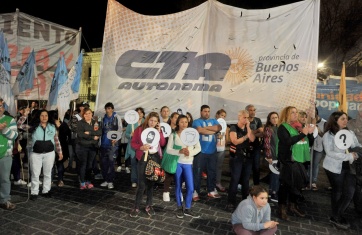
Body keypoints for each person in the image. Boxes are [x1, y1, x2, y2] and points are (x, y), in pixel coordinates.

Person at [323, 111, 361, 230]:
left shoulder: (349, 132)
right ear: (335, 121)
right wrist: (349, 156)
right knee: (338, 192)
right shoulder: (328, 135)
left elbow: (356, 144)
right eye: (343, 119)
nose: (346, 121)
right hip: (334, 168)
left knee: (349, 192)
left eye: (346, 118)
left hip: (349, 167)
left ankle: (336, 215)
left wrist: (358, 152)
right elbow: (330, 153)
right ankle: (337, 216)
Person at [277, 106, 314, 220]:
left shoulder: (299, 126)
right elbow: (288, 142)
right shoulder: (282, 128)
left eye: (296, 112)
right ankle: (282, 208)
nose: (295, 114)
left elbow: (310, 143)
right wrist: (303, 134)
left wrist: (310, 133)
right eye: (292, 112)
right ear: (286, 115)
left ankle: (293, 206)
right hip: (288, 161)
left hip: (300, 160)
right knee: (286, 185)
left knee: (297, 185)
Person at [129, 112, 166, 217]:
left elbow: (162, 143)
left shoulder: (158, 130)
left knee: (151, 182)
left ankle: (149, 205)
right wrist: (141, 148)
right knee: (142, 184)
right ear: (147, 120)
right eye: (151, 120)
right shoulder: (140, 129)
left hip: (155, 157)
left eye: (155, 121)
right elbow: (133, 142)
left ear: (158, 122)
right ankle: (136, 206)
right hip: (143, 157)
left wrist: (160, 132)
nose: (152, 123)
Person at [166, 115, 201, 218]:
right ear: (178, 123)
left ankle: (188, 208)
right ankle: (179, 207)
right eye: (181, 122)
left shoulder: (193, 134)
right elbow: (168, 150)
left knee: (190, 188)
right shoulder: (173, 135)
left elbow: (198, 148)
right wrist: (179, 151)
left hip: (188, 163)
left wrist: (190, 152)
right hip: (178, 163)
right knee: (178, 185)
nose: (184, 124)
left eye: (186, 122)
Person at [29, 110, 63, 200]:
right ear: (38, 116)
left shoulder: (52, 127)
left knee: (47, 173)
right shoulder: (33, 127)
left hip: (49, 153)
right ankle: (34, 192)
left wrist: (60, 152)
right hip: (36, 154)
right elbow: (20, 125)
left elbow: (56, 140)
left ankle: (46, 190)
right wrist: (24, 115)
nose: (44, 117)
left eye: (46, 115)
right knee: (35, 174)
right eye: (42, 115)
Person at [192, 105, 222, 201]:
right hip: (200, 151)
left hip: (212, 151)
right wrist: (212, 130)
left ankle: (211, 190)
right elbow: (199, 130)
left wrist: (207, 129)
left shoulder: (214, 120)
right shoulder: (196, 122)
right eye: (205, 111)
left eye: (208, 111)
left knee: (212, 171)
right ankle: (195, 191)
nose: (207, 113)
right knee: (197, 171)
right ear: (201, 112)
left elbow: (219, 128)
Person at [227, 110, 255, 210]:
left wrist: (248, 128)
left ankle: (245, 201)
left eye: (247, 117)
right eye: (244, 117)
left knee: (246, 180)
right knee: (235, 179)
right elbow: (234, 141)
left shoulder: (249, 128)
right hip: (236, 156)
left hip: (247, 156)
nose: (246, 119)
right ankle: (231, 201)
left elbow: (252, 139)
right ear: (239, 117)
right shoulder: (234, 127)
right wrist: (245, 136)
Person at [76, 108, 102, 190]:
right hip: (82, 147)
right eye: (86, 114)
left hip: (92, 147)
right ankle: (82, 182)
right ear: (83, 115)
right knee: (83, 164)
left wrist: (89, 133)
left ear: (92, 114)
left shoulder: (95, 123)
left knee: (90, 165)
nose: (88, 115)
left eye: (89, 113)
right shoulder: (80, 123)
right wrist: (92, 137)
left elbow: (99, 132)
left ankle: (88, 181)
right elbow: (80, 135)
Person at [99, 102, 123, 190]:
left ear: (112, 109)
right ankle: (106, 179)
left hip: (113, 144)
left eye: (109, 108)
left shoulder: (117, 117)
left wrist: (116, 138)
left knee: (111, 162)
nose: (108, 110)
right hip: (103, 143)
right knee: (103, 163)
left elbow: (120, 129)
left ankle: (110, 181)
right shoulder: (102, 118)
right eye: (106, 108)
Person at [0, 99, 18, 210]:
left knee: (5, 179)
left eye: (1, 106)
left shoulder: (10, 120)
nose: (0, 108)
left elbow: (14, 136)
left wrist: (4, 129)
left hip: (5, 155)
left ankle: (5, 200)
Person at [49, 110, 71, 187]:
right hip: (52, 147)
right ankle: (51, 180)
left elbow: (68, 134)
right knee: (51, 165)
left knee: (59, 164)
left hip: (61, 147)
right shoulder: (50, 125)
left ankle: (60, 179)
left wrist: (60, 127)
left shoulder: (63, 125)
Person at [125, 107, 145, 188]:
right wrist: (131, 135)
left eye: (141, 112)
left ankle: (141, 180)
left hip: (143, 147)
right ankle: (134, 180)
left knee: (142, 165)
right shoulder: (131, 123)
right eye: (137, 112)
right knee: (133, 164)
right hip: (133, 148)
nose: (139, 114)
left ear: (143, 114)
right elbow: (126, 134)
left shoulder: (146, 123)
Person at [308, 107, 326, 191]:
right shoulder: (307, 121)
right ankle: (308, 181)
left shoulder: (324, 123)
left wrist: (317, 129)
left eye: (313, 112)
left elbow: (324, 135)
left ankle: (314, 182)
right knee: (308, 164)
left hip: (319, 148)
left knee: (315, 164)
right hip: (309, 147)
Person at [245, 104, 264, 186]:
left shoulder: (257, 120)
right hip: (245, 146)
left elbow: (262, 133)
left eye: (254, 110)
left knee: (256, 166)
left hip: (256, 146)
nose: (252, 112)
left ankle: (256, 184)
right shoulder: (244, 120)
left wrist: (252, 134)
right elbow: (245, 134)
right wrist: (256, 131)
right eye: (250, 110)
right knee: (245, 166)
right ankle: (243, 183)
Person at [163, 112, 179, 202]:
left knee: (178, 172)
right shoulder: (165, 128)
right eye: (175, 117)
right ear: (171, 118)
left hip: (178, 153)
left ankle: (178, 192)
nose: (177, 119)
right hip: (168, 152)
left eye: (178, 118)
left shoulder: (180, 129)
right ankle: (166, 192)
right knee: (169, 172)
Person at [263, 111, 279, 202]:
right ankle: (274, 194)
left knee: (274, 174)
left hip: (277, 155)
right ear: (269, 119)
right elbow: (267, 143)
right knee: (276, 175)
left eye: (276, 117)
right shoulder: (269, 129)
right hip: (272, 156)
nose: (275, 119)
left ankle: (271, 192)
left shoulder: (277, 128)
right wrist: (269, 156)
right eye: (272, 118)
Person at [215, 109, 229, 192]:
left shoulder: (225, 125)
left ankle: (218, 182)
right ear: (217, 115)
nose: (222, 117)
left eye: (224, 116)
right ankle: (211, 183)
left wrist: (226, 141)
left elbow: (226, 136)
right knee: (212, 166)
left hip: (221, 148)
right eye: (221, 115)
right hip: (213, 148)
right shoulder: (213, 123)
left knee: (219, 166)